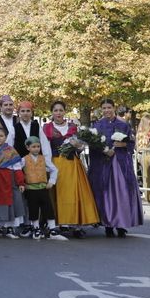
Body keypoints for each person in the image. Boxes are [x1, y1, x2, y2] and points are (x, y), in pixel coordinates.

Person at [41, 100, 99, 237]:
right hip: (55, 163)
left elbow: (80, 148)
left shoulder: (73, 127)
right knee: (57, 194)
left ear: (64, 112)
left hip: (72, 164)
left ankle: (75, 224)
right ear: (52, 113)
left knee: (74, 193)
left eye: (61, 110)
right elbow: (44, 147)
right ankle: (59, 223)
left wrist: (78, 145)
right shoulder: (47, 128)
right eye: (55, 110)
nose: (58, 113)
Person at [87, 99, 144, 237]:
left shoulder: (123, 125)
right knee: (105, 193)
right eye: (104, 108)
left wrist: (123, 146)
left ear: (114, 108)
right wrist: (104, 150)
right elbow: (93, 145)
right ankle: (107, 224)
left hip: (120, 163)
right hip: (103, 163)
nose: (107, 110)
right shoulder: (98, 125)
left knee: (121, 193)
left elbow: (131, 143)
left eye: (109, 107)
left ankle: (121, 224)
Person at [0, 127, 25, 239]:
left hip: (9, 181)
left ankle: (10, 228)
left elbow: (17, 168)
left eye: (1, 136)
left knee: (11, 203)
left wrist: (21, 183)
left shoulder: (11, 151)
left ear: (6, 137)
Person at [20, 136, 62, 239]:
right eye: (33, 146)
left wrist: (51, 181)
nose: (36, 149)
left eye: (38, 146)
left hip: (43, 188)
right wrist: (21, 183)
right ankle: (36, 228)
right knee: (33, 208)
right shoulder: (24, 159)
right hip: (30, 189)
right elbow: (17, 171)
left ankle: (52, 229)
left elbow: (54, 170)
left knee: (48, 207)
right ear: (28, 147)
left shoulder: (44, 159)